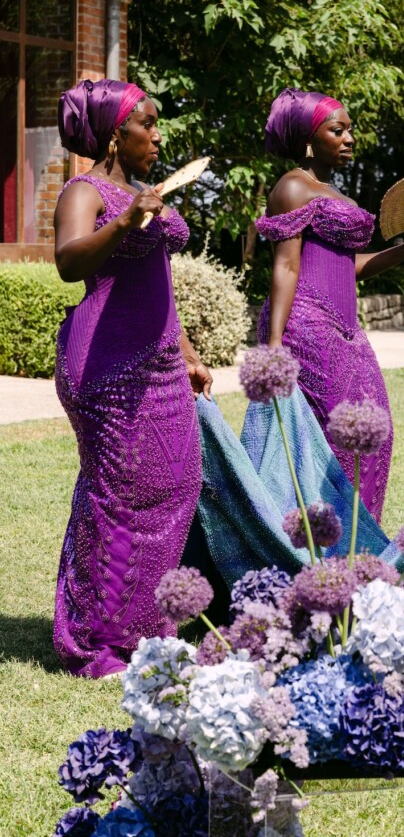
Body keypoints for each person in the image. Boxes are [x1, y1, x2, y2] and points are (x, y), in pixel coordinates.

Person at [53, 78, 212, 678]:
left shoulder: (148, 190)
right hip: (105, 366)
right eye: (146, 123)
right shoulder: (83, 188)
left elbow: (158, 280)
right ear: (116, 134)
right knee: (118, 498)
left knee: (175, 488)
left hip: (161, 361)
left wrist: (189, 350)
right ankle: (96, 637)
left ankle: (147, 626)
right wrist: (123, 223)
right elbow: (69, 261)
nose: (157, 133)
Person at [255, 88, 404, 521]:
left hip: (347, 331)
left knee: (373, 436)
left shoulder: (327, 189)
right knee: (341, 443)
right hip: (307, 327)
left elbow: (349, 268)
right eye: (338, 130)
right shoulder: (293, 185)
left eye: (350, 130)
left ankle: (357, 549)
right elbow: (287, 266)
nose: (349, 138)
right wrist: (274, 344)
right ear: (310, 140)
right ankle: (326, 553)